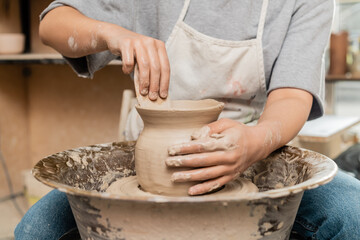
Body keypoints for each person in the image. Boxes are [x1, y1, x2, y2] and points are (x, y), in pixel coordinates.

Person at [15, 0, 360, 239]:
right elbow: (53, 22)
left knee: (352, 214)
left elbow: (290, 96)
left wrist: (255, 141)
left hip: (260, 155)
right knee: (36, 229)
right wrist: (111, 34)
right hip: (148, 163)